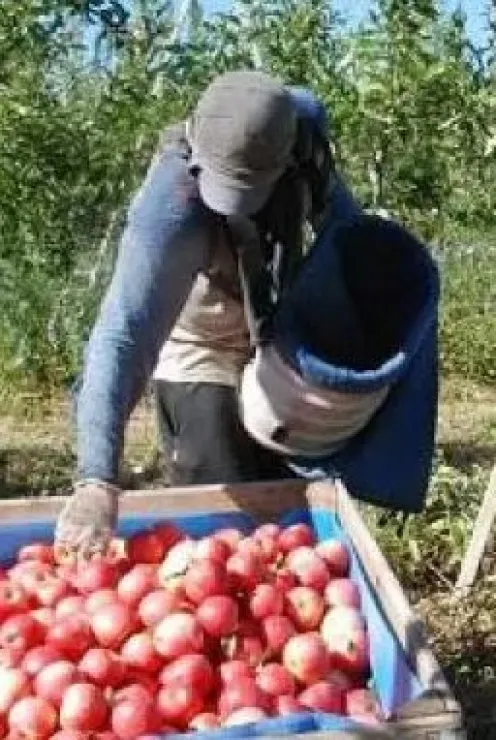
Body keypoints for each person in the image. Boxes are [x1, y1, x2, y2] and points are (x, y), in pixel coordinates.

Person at [54, 70, 441, 561]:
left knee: (288, 509)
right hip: (201, 341)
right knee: (225, 521)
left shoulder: (304, 143)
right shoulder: (171, 207)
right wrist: (96, 480)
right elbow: (123, 332)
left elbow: (346, 237)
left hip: (276, 332)